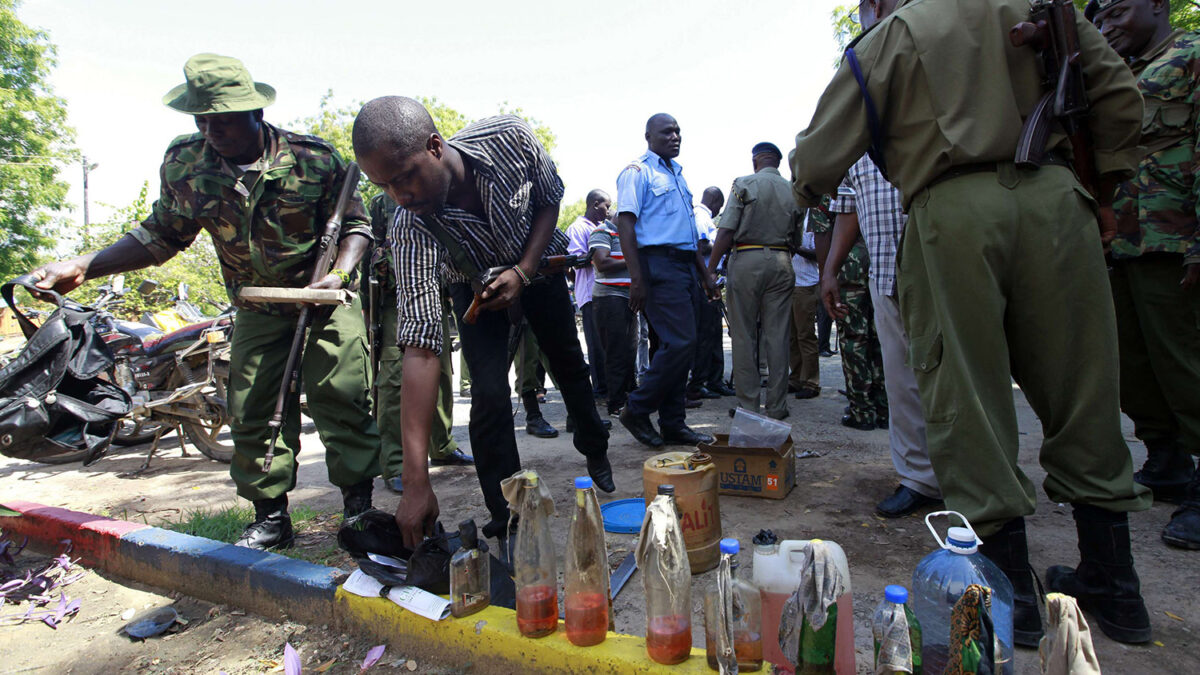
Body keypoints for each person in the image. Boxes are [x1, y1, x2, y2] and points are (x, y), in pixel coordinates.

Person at [790, 0, 1152, 646]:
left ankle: (1012, 597)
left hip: (949, 211)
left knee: (967, 398)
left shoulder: (896, 32)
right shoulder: (1044, 6)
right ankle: (1117, 589)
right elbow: (1121, 98)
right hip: (1058, 201)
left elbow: (817, 159)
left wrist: (807, 187)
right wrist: (1103, 193)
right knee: (1085, 391)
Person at [31, 54, 382, 551]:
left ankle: (359, 510)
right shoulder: (186, 163)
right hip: (258, 306)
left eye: (222, 120)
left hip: (325, 300)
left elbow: (357, 226)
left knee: (341, 395)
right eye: (201, 119)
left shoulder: (315, 160)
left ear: (255, 114)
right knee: (254, 405)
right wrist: (86, 266)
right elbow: (160, 237)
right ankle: (271, 516)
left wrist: (340, 274)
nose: (210, 130)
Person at [351, 96, 614, 548]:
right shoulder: (409, 227)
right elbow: (420, 346)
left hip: (539, 263)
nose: (400, 196)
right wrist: (416, 480)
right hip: (475, 291)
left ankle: (595, 447)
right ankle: (509, 513)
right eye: (384, 187)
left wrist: (523, 271)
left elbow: (550, 200)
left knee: (568, 365)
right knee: (489, 394)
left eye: (405, 178)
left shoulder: (509, 139)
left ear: (435, 146)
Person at [1089, 0, 1200, 550]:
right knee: (1132, 364)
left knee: (1186, 364)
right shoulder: (1118, 78)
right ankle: (1167, 460)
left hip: (1174, 242)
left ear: (1158, 6)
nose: (1108, 27)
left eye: (1118, 12)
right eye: (1101, 21)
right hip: (1123, 245)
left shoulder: (1191, 57)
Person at [821, 156, 941, 518]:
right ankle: (919, 480)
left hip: (944, 273)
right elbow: (847, 211)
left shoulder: (926, 127)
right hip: (885, 276)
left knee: (957, 379)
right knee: (901, 383)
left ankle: (974, 478)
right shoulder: (855, 154)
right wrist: (830, 271)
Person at [615, 113, 719, 447]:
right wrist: (636, 278)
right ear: (648, 136)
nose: (675, 136)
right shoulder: (637, 172)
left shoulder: (678, 175)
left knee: (680, 346)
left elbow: (689, 234)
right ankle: (636, 408)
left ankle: (673, 423)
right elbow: (626, 225)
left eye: (678, 131)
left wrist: (706, 276)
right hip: (657, 265)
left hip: (686, 266)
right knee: (680, 342)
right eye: (667, 132)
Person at [367, 194, 473, 496]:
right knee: (395, 380)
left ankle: (441, 446)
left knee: (440, 373)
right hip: (396, 299)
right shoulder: (382, 202)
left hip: (437, 293)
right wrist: (367, 305)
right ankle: (397, 463)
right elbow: (371, 250)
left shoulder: (443, 192)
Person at [706, 142, 803, 420]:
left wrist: (711, 269)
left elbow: (726, 230)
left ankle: (748, 406)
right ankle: (777, 406)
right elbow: (796, 239)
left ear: (754, 161)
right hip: (783, 261)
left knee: (744, 334)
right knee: (778, 335)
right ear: (778, 163)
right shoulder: (793, 191)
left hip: (747, 259)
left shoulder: (743, 184)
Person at [814, 195, 888, 431]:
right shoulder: (878, 170)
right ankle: (886, 410)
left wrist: (827, 274)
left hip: (846, 265)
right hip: (881, 259)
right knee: (883, 337)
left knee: (854, 339)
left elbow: (822, 233)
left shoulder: (830, 188)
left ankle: (862, 412)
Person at [688, 187, 734, 400]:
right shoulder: (700, 215)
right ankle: (699, 383)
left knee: (715, 332)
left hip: (712, 281)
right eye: (720, 206)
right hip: (703, 281)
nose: (719, 210)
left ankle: (715, 380)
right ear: (715, 201)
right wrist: (723, 244)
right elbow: (700, 246)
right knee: (705, 334)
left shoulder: (705, 216)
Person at [589, 214, 637, 416]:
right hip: (609, 297)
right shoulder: (602, 231)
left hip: (629, 297)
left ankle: (628, 396)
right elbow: (602, 263)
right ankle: (615, 402)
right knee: (616, 351)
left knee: (630, 349)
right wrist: (633, 260)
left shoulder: (629, 235)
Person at [566, 190, 610, 401]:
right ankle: (600, 389)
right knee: (596, 344)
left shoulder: (600, 228)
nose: (608, 211)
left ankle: (611, 386)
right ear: (594, 204)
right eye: (606, 206)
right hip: (590, 294)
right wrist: (598, 253)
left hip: (607, 292)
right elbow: (574, 260)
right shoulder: (578, 228)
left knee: (609, 342)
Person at [788, 218, 821, 400]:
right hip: (788, 283)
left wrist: (795, 248)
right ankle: (796, 378)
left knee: (805, 335)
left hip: (806, 284)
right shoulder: (791, 219)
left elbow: (819, 253)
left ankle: (811, 382)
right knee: (792, 336)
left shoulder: (812, 220)